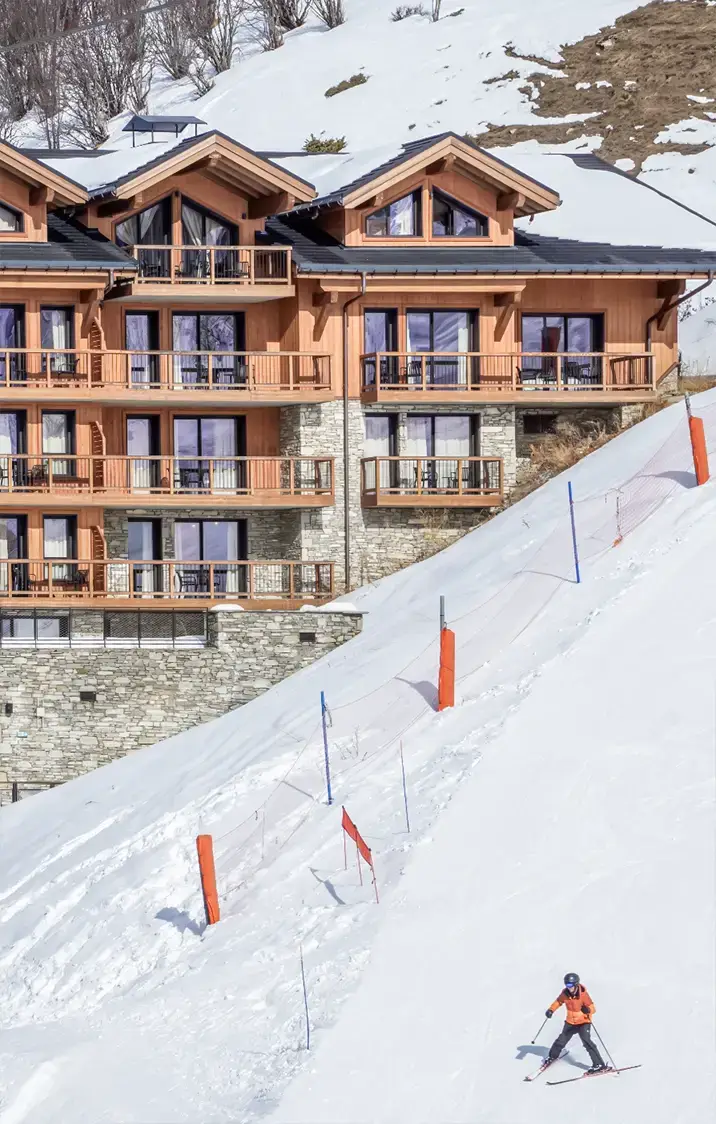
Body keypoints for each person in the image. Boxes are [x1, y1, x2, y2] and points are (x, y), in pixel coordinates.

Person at [544, 972, 608, 1072]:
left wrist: (588, 1010)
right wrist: (551, 1010)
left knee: (587, 1041)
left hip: (583, 1022)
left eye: (570, 985)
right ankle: (552, 1057)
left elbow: (593, 1008)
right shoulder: (565, 994)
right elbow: (558, 1002)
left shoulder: (583, 994)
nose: (568, 987)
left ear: (576, 984)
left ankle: (599, 1065)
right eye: (566, 985)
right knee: (561, 1040)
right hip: (571, 1022)